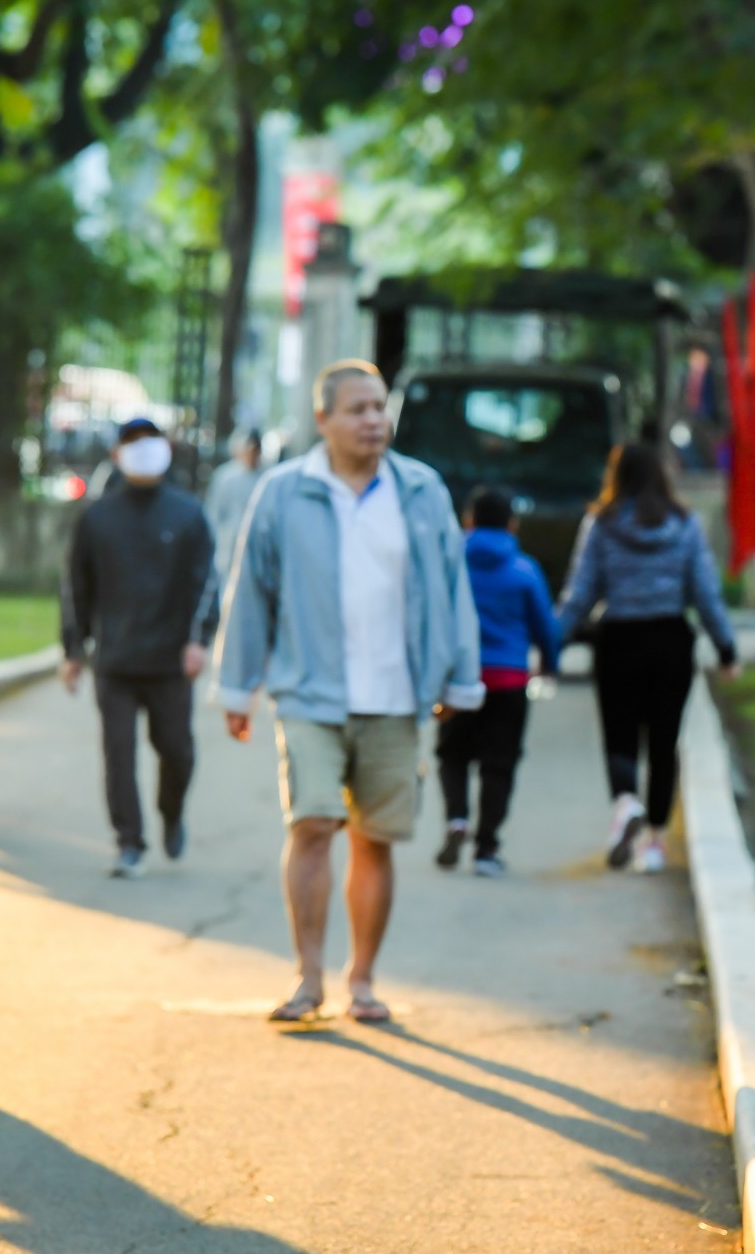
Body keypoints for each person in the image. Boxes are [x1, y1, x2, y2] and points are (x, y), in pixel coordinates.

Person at [218, 359, 483, 1024]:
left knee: (375, 838)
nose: (373, 419)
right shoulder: (283, 492)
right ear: (323, 420)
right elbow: (251, 591)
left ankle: (360, 978)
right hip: (309, 691)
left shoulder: (422, 490)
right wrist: (237, 685)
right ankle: (308, 977)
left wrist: (459, 675)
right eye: (358, 409)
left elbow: (454, 591)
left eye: (378, 407)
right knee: (311, 823)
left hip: (397, 695)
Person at [556, 441, 738, 875]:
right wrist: (726, 647)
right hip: (670, 641)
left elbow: (580, 594)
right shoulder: (685, 524)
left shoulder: (600, 523)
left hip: (617, 639)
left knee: (619, 734)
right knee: (662, 742)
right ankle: (654, 842)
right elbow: (705, 593)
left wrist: (550, 644)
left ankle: (624, 803)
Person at [61, 417, 219, 879]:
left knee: (177, 750)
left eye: (151, 441)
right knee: (119, 754)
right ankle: (129, 840)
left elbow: (205, 583)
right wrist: (74, 650)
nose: (143, 450)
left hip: (170, 660)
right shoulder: (97, 518)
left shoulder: (188, 514)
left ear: (167, 448)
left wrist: (198, 640)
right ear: (116, 455)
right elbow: (76, 587)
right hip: (115, 659)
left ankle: (171, 812)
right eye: (132, 443)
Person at [433, 485, 562, 877]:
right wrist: (550, 664)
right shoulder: (525, 570)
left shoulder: (449, 564)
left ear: (468, 520)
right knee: (499, 765)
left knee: (452, 755)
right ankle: (486, 849)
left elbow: (432, 616)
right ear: (513, 524)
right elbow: (546, 627)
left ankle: (457, 818)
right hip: (508, 681)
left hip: (459, 681)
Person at [202, 427, 265, 579]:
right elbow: (214, 512)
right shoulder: (225, 476)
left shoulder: (265, 477)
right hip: (228, 545)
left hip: (255, 547)